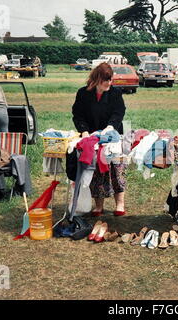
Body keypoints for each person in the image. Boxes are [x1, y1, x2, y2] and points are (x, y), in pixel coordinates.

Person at [72, 62, 127, 217]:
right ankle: (99, 205)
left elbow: (119, 112)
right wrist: (83, 131)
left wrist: (111, 127)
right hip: (91, 137)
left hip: (113, 136)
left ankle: (120, 204)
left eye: (111, 80)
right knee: (95, 170)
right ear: (97, 79)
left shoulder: (115, 93)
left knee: (117, 169)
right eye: (106, 80)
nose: (109, 83)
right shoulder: (83, 93)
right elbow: (78, 114)